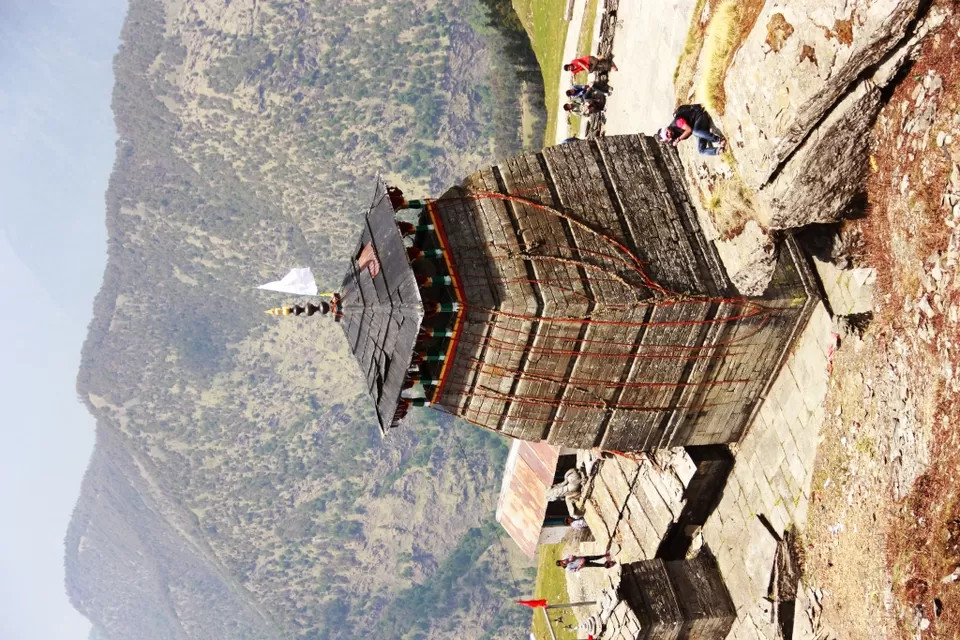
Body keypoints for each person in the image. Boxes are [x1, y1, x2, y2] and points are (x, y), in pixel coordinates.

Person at [658, 104, 726, 156]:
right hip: (699, 129)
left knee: (695, 132)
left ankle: (719, 139)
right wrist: (673, 143)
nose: (669, 134)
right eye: (667, 136)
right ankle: (719, 150)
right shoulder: (672, 137)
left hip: (700, 116)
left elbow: (689, 130)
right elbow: (671, 143)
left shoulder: (678, 122)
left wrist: (679, 139)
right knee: (701, 151)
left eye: (667, 132)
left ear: (667, 128)